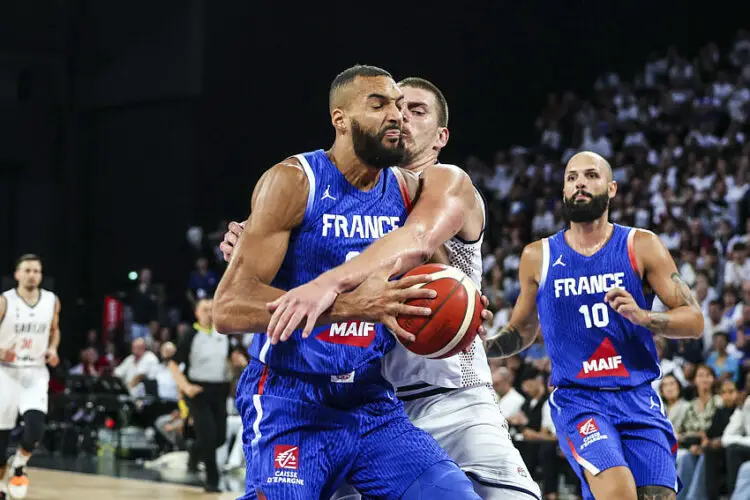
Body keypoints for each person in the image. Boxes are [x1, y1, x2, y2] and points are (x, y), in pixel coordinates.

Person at [221, 77, 540, 499]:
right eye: (388, 106)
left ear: (442, 135)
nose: (399, 116)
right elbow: (230, 304)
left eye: (410, 109)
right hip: (302, 396)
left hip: (421, 396)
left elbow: (421, 245)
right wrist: (259, 247)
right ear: (342, 118)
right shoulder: (300, 180)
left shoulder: (435, 183)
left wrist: (460, 305)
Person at [484, 151, 704, 499]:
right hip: (579, 399)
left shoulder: (640, 245)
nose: (580, 184)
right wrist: (484, 347)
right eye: (571, 178)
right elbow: (522, 331)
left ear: (612, 188)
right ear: (563, 191)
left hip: (637, 396)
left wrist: (646, 317)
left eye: (590, 176)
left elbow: (694, 321)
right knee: (618, 493)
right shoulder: (537, 256)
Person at [0, 254, 61, 500]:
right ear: (17, 274)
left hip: (35, 371)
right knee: (1, 438)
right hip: (5, 371)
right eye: (27, 270)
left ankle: (20, 464)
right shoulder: (5, 301)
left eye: (36, 271)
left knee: (35, 428)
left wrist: (53, 348)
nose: (32, 275)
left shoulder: (51, 300)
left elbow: (55, 330)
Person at [168, 298, 241, 493]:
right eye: (205, 309)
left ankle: (194, 452)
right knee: (208, 436)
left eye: (211, 309)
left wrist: (238, 361)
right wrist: (185, 386)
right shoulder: (191, 335)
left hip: (220, 390)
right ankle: (212, 480)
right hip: (199, 391)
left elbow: (233, 356)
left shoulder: (223, 333)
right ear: (197, 313)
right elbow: (173, 364)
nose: (209, 312)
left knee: (219, 438)